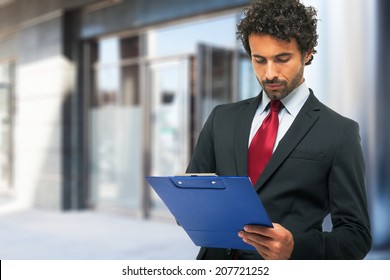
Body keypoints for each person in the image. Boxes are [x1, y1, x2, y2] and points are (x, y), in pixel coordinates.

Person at [186, 0, 372, 260]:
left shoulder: (340, 132)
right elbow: (194, 197)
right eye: (259, 60)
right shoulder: (221, 119)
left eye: (282, 59)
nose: (269, 73)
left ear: (307, 54)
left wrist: (296, 246)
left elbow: (356, 237)